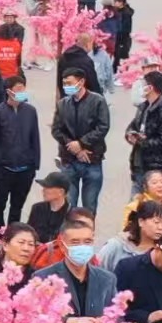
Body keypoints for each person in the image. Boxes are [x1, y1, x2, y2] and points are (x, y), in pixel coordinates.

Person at [0, 74, 42, 229]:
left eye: (23, 89)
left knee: (17, 205)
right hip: (5, 168)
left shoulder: (30, 111)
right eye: (18, 89)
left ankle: (13, 231)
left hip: (26, 168)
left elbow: (35, 138)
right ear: (9, 91)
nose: (21, 92)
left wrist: (34, 164)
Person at [53, 67, 110, 214]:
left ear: (81, 82)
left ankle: (87, 235)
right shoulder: (62, 104)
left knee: (89, 207)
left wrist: (82, 144)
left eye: (69, 83)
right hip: (69, 161)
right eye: (64, 83)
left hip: (92, 159)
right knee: (68, 206)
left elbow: (102, 127)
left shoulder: (98, 101)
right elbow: (56, 130)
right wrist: (73, 146)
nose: (66, 86)